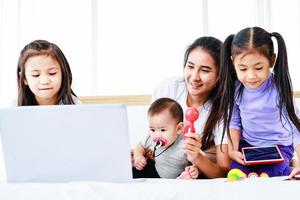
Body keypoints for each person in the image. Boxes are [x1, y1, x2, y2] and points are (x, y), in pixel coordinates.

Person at [217, 26, 300, 177]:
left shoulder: (280, 90)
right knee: (236, 172)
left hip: (279, 146)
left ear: (272, 60)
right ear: (233, 63)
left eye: (258, 67)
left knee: (273, 173)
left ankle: (289, 166)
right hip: (248, 146)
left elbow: (295, 127)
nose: (251, 76)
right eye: (242, 69)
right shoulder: (236, 89)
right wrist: (232, 150)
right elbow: (234, 122)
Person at [152, 37, 230, 178]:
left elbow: (224, 171)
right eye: (190, 66)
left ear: (219, 76)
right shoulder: (168, 89)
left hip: (194, 173)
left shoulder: (222, 109)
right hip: (160, 167)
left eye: (205, 70)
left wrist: (197, 158)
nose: (194, 77)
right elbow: (151, 138)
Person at [133, 97, 199, 179]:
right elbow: (140, 146)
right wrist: (138, 157)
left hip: (178, 176)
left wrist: (194, 169)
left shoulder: (185, 143)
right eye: (152, 129)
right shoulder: (151, 138)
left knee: (189, 176)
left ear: (179, 129)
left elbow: (196, 160)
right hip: (157, 173)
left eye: (163, 130)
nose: (157, 135)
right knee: (134, 172)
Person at [17, 39, 80, 105]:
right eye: (36, 75)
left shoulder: (75, 105)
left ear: (63, 74)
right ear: (24, 78)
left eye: (52, 73)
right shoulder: (15, 107)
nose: (45, 81)